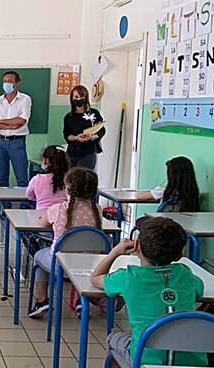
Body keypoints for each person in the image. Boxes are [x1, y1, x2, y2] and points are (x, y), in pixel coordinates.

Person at [90, 217, 206, 366]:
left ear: (137, 245)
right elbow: (199, 290)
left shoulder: (128, 277)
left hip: (146, 359)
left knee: (114, 338)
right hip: (191, 361)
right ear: (179, 256)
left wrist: (115, 252)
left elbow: (95, 278)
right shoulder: (185, 274)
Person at [29, 168, 102, 318]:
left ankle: (42, 300)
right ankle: (80, 301)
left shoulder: (59, 209)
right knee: (81, 255)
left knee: (38, 255)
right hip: (89, 266)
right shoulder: (97, 210)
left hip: (60, 265)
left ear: (67, 188)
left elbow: (43, 223)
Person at [0, 70, 32, 188]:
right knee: (1, 176)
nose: (6, 84)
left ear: (17, 83)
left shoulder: (25, 99)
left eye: (10, 81)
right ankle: (4, 205)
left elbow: (21, 120)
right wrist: (10, 125)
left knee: (21, 176)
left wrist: (1, 121)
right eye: (4, 81)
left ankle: (24, 206)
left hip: (17, 141)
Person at [63, 85, 106, 169]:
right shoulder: (68, 117)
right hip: (72, 153)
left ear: (86, 97)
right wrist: (76, 138)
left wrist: (93, 136)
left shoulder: (94, 113)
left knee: (83, 177)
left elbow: (102, 130)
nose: (79, 99)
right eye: (76, 96)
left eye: (81, 96)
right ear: (72, 98)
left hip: (88, 152)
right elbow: (66, 134)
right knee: (71, 178)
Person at [26, 145, 70, 210]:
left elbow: (29, 196)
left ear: (45, 161)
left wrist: (40, 197)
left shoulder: (37, 179)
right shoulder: (69, 179)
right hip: (63, 216)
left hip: (41, 216)